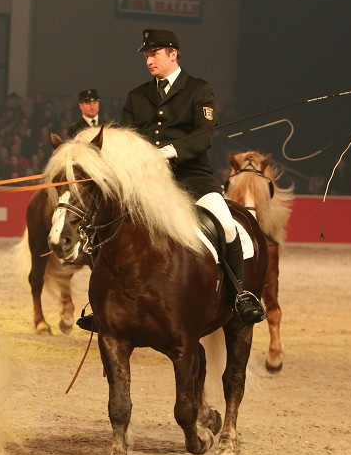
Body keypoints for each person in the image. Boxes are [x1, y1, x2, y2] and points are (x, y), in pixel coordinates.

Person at [89, 28, 264, 328]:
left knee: (226, 226)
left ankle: (240, 295)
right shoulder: (137, 96)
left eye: (154, 54)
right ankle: (103, 301)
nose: (148, 61)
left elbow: (206, 134)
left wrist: (170, 152)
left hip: (193, 179)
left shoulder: (199, 90)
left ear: (173, 54)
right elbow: (126, 138)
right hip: (149, 185)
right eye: (146, 55)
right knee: (106, 227)